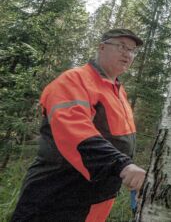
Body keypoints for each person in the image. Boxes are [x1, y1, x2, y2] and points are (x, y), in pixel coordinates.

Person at [11, 29, 147, 222]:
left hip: (97, 199)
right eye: (122, 46)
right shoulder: (73, 80)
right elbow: (75, 132)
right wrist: (122, 165)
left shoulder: (118, 90)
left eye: (132, 50)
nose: (128, 53)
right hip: (57, 195)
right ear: (102, 47)